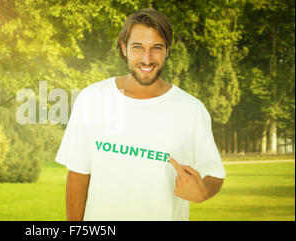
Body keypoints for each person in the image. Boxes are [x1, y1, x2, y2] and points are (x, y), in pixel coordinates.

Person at [55, 8, 225, 221]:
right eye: (138, 47)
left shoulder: (191, 109)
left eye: (156, 48)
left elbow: (214, 174)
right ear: (124, 48)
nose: (147, 58)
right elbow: (79, 174)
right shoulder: (92, 98)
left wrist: (204, 192)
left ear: (167, 51)